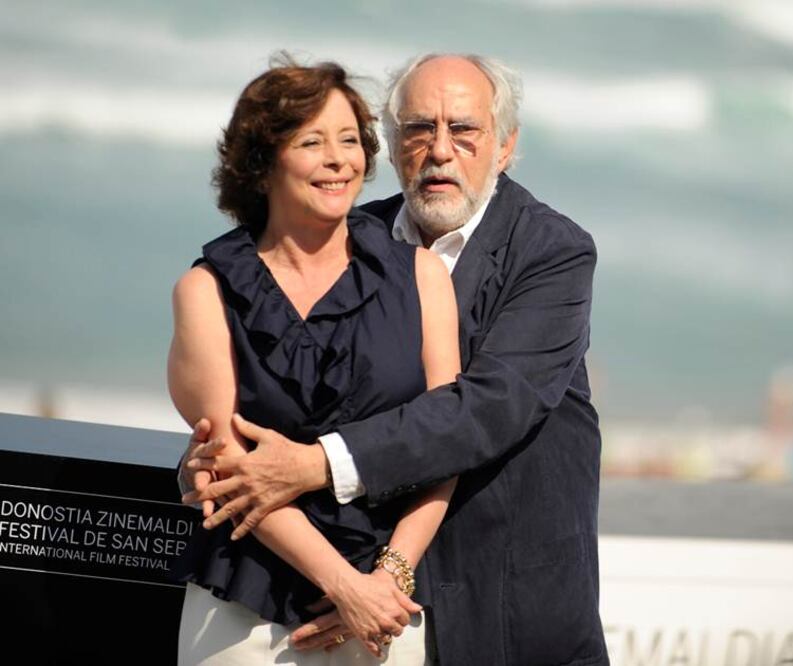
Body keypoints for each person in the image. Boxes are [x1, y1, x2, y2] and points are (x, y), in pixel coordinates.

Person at [183, 53, 609, 665]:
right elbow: (272, 393)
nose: (440, 150)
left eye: (463, 130)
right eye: (418, 128)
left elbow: (485, 410)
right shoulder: (348, 238)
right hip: (355, 604)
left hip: (507, 606)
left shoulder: (553, 251)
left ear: (505, 146)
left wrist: (319, 466)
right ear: (391, 139)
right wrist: (207, 464)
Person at [169, 57, 461, 664]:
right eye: (312, 142)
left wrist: (389, 578)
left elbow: (446, 443)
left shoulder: (422, 276)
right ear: (263, 161)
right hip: (244, 607)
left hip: (387, 608)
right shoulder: (206, 289)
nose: (339, 160)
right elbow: (225, 465)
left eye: (351, 140)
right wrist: (341, 584)